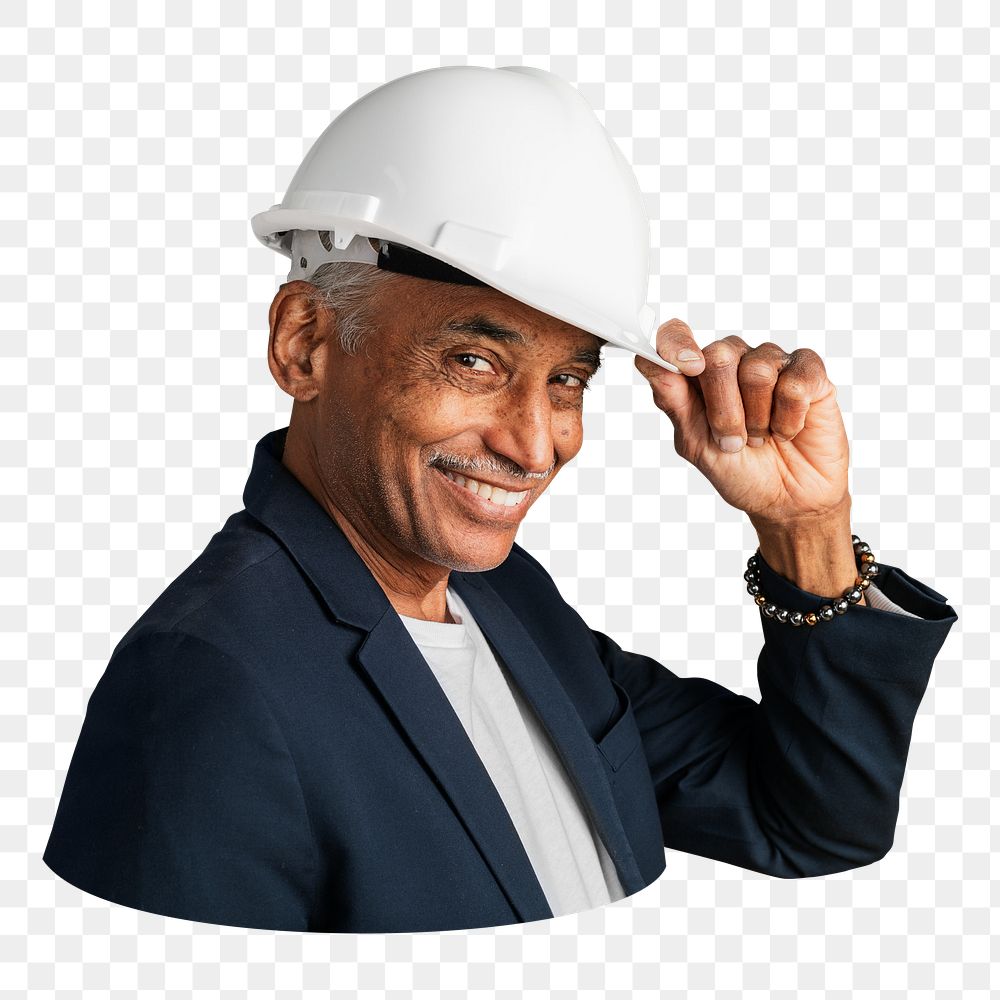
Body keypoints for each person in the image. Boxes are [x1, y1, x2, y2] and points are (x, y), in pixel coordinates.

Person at [43, 66, 958, 933]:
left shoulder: (507, 600)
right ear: (305, 344)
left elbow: (809, 823)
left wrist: (806, 530)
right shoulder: (208, 687)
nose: (534, 444)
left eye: (567, 380)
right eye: (473, 361)